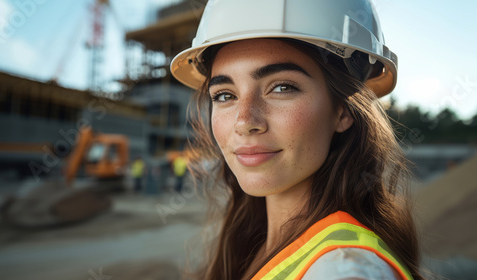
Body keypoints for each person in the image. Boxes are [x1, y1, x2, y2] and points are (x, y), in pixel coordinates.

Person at [171, 0, 422, 279]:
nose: (244, 122)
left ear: (342, 111)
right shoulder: (250, 246)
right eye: (225, 95)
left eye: (281, 87)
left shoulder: (345, 270)